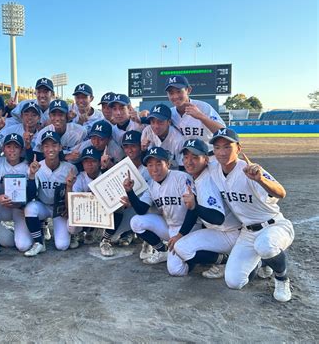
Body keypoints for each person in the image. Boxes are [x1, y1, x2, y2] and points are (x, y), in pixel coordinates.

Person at [208, 128, 294, 302]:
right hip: (247, 232)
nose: (222, 152)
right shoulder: (214, 170)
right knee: (234, 282)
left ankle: (282, 278)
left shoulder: (251, 170)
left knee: (266, 245)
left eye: (227, 146)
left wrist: (260, 179)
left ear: (238, 148)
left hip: (274, 225)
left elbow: (281, 193)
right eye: (217, 147)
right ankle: (263, 261)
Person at [166, 139, 241, 278]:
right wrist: (180, 234)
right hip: (221, 231)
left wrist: (195, 206)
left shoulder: (206, 183)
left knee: (183, 249)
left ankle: (227, 261)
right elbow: (192, 210)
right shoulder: (202, 174)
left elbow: (218, 218)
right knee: (181, 245)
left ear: (205, 159)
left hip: (229, 233)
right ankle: (228, 259)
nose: (189, 161)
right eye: (186, 157)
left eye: (195, 157)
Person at [124, 147, 193, 274]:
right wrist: (130, 192)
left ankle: (198, 256)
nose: (154, 169)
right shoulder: (151, 185)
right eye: (150, 165)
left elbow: (193, 211)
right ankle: (163, 251)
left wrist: (180, 234)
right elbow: (141, 209)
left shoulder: (181, 178)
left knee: (176, 271)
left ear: (168, 164)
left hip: (190, 228)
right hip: (170, 228)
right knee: (136, 222)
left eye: (158, 164)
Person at [23, 131, 79, 256]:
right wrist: (32, 175)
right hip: (42, 205)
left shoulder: (70, 168)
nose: (50, 149)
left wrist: (68, 208)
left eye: (54, 145)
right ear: (42, 149)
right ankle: (39, 242)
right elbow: (30, 195)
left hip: (60, 209)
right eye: (46, 146)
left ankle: (70, 233)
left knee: (62, 245)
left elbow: (75, 196)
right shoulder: (36, 167)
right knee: (30, 208)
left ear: (60, 147)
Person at [0, 133, 31, 256]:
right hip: (3, 205)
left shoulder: (28, 165)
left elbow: (33, 192)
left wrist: (21, 204)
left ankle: (30, 231)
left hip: (20, 209)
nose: (12, 150)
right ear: (3, 149)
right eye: (9, 146)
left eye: (16, 147)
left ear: (21, 150)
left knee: (23, 246)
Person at [165, 75, 225, 148]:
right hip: (184, 157)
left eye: (179, 91)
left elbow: (223, 132)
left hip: (209, 156)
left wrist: (201, 117)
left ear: (188, 90)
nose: (175, 96)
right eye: (171, 93)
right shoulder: (169, 113)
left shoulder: (204, 107)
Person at [141, 103, 185, 169]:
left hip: (173, 172)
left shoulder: (178, 139)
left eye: (160, 122)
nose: (156, 126)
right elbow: (144, 162)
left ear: (169, 122)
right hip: (153, 171)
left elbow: (182, 167)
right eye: (153, 122)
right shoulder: (147, 131)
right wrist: (143, 150)